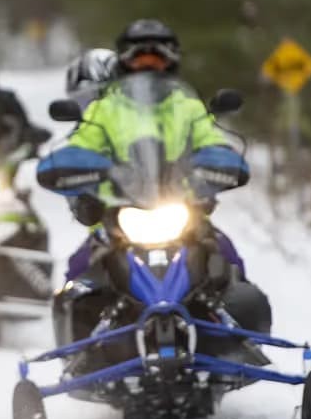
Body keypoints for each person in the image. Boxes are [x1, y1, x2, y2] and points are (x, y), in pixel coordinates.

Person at [49, 18, 269, 336]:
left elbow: (210, 140)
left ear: (172, 59)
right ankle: (85, 352)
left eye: (158, 55)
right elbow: (80, 147)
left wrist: (218, 168)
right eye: (139, 56)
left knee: (227, 259)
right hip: (119, 213)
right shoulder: (105, 110)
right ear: (123, 61)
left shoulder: (187, 107)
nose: (148, 63)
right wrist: (78, 187)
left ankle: (235, 341)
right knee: (81, 269)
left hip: (182, 209)